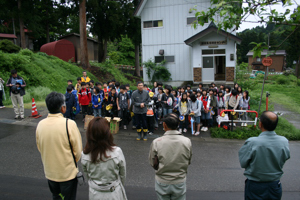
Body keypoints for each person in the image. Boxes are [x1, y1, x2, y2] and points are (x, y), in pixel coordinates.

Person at [36, 92, 82, 200]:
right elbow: (78, 151)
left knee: (56, 196)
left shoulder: (40, 124)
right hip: (67, 174)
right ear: (63, 108)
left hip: (50, 172)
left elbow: (40, 147)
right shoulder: (69, 124)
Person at [238, 111, 290, 200]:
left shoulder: (252, 142)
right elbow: (286, 157)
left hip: (255, 185)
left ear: (260, 123)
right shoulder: (284, 141)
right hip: (274, 184)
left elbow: (243, 163)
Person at [149, 113, 192, 200]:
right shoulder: (187, 141)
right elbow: (189, 160)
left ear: (164, 125)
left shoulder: (157, 142)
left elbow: (152, 162)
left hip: (162, 180)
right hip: (179, 180)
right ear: (178, 125)